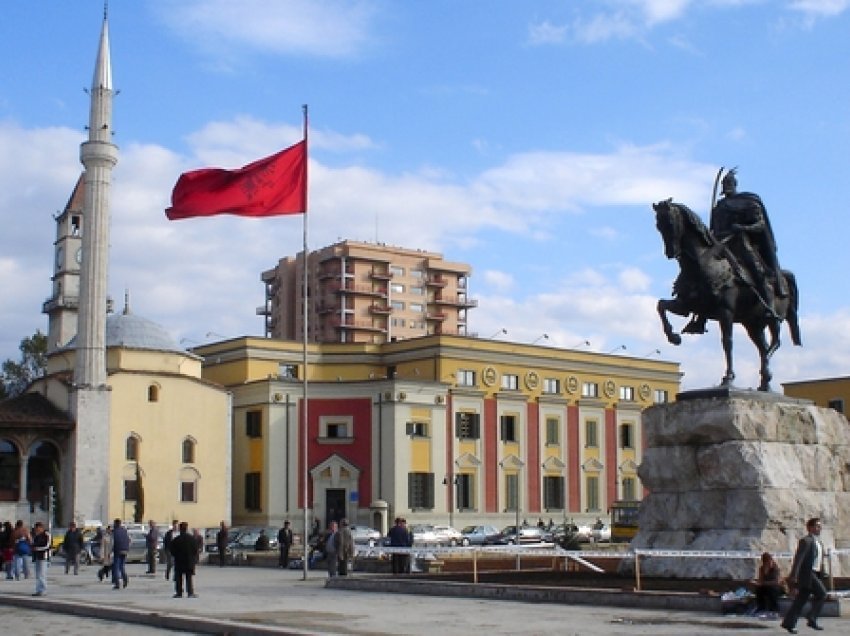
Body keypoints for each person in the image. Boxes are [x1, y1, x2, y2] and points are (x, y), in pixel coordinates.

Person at [686, 168, 786, 333]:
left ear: (734, 184)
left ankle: (769, 308)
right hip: (720, 245)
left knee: (756, 271)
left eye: (729, 183)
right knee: (701, 269)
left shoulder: (748, 202)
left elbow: (760, 225)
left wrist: (742, 227)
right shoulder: (719, 206)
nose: (726, 186)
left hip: (740, 243)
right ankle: (699, 318)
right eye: (724, 184)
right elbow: (715, 229)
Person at [781, 518, 827, 633]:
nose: (819, 528)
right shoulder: (806, 541)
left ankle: (788, 623)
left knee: (801, 600)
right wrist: (794, 576)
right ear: (810, 527)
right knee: (822, 594)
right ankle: (811, 618)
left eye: (820, 526)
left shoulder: (819, 542)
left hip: (815, 573)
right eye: (817, 526)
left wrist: (823, 572)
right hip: (808, 574)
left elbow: (819, 560)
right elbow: (799, 560)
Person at [169, 521, 198, 598]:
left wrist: (177, 556)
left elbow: (172, 551)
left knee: (179, 578)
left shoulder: (176, 540)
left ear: (180, 529)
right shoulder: (192, 539)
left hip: (179, 561)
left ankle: (179, 593)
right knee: (189, 578)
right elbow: (195, 550)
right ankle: (190, 592)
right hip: (189, 561)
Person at [752, 552, 783, 617]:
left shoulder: (775, 569)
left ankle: (774, 610)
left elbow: (777, 581)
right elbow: (761, 579)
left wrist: (764, 583)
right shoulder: (762, 568)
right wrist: (757, 582)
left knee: (771, 590)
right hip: (765, 586)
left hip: (776, 587)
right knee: (759, 590)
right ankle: (761, 608)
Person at [31, 521, 50, 596]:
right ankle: (38, 589)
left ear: (41, 528)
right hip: (37, 557)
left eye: (38, 529)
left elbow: (47, 546)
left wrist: (37, 549)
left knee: (42, 574)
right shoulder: (37, 536)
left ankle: (43, 590)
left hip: (44, 557)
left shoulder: (47, 535)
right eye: (36, 529)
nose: (37, 530)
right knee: (38, 574)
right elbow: (34, 544)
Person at [111, 519, 130, 589]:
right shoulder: (124, 531)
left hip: (118, 551)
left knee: (116, 567)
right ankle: (125, 579)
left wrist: (111, 551)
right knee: (122, 566)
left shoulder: (115, 532)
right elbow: (128, 540)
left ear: (115, 524)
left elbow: (113, 542)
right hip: (125, 550)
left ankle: (117, 583)